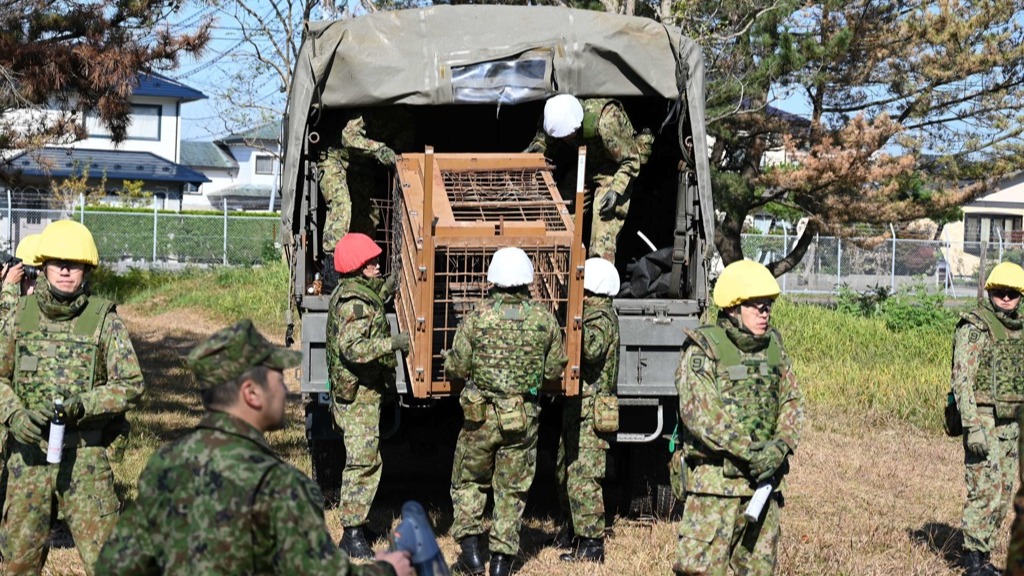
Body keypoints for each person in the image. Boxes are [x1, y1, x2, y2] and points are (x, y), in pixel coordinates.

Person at [94, 320, 413, 576]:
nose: (284, 388)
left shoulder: (164, 463)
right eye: (275, 378)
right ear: (251, 393)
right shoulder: (282, 486)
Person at [0, 220, 144, 575]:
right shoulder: (19, 316)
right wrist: (15, 415)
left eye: (74, 264)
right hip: (27, 462)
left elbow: (131, 383)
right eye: (58, 263)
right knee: (18, 564)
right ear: (44, 266)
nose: (65, 270)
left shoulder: (104, 321)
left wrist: (85, 405)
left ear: (86, 269)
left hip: (85, 460)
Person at [673, 260, 803, 576]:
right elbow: (701, 415)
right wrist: (753, 452)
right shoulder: (704, 350)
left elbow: (792, 401)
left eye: (768, 306)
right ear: (733, 309)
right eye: (757, 306)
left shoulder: (774, 348)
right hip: (715, 492)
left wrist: (781, 446)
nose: (765, 313)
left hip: (763, 488)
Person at [445, 246, 568, 576]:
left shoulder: (477, 317)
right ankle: (501, 563)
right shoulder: (543, 320)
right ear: (527, 279)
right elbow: (555, 369)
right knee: (511, 491)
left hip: (480, 418)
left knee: (469, 482)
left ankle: (471, 555)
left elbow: (457, 367)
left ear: (494, 279)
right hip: (522, 418)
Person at [327, 232, 410, 558]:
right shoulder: (354, 304)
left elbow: (377, 293)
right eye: (371, 261)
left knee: (368, 459)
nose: (377, 264)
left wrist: (394, 281)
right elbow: (354, 348)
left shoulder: (355, 292)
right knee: (362, 463)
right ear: (357, 266)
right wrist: (392, 344)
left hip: (361, 393)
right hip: (358, 395)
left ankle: (358, 525)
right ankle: (351, 535)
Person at [951, 261, 1024, 576]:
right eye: (1000, 292)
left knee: (1004, 491)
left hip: (1012, 424)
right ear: (989, 291)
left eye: (1013, 294)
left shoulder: (1019, 331)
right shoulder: (974, 326)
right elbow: (962, 380)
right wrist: (972, 427)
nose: (1006, 299)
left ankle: (985, 557)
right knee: (985, 490)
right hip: (984, 421)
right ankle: (973, 561)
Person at [526, 94, 651, 261]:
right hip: (585, 164)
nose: (565, 140)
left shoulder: (607, 121)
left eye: (568, 136)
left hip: (615, 168)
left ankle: (598, 278)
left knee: (603, 227)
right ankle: (559, 268)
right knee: (560, 215)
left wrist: (616, 189)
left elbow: (631, 159)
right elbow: (544, 141)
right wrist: (534, 153)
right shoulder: (554, 115)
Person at [553, 257, 621, 563]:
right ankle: (573, 530)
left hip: (591, 411)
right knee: (565, 471)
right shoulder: (594, 313)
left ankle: (592, 544)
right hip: (579, 408)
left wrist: (573, 326)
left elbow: (590, 350)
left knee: (583, 477)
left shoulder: (600, 317)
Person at [319, 110, 413, 281]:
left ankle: (364, 269)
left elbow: (402, 145)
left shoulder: (405, 116)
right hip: (335, 158)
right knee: (342, 208)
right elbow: (348, 137)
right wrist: (379, 149)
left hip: (360, 166)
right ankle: (332, 269)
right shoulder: (368, 110)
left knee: (368, 216)